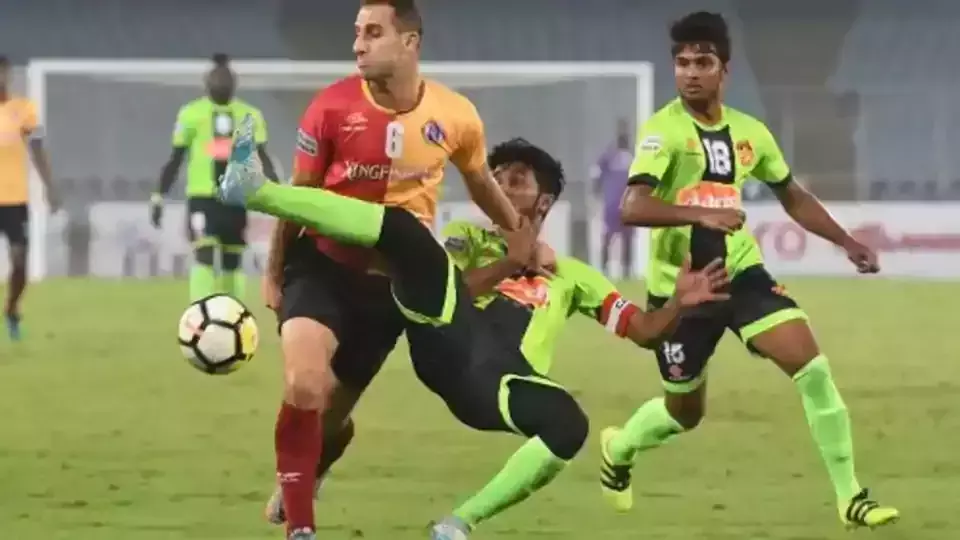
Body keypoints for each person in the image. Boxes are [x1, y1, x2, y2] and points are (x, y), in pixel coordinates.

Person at [221, 117, 728, 539]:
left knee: (569, 425)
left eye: (517, 180)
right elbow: (453, 290)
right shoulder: (468, 238)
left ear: (544, 203)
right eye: (497, 177)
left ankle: (457, 525)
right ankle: (260, 192)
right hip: (447, 340)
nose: (501, 187)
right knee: (406, 233)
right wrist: (511, 262)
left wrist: (679, 304)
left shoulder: (574, 276)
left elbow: (644, 331)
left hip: (499, 382)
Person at [598, 12, 899, 529]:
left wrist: (845, 241)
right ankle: (620, 447)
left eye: (703, 62)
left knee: (812, 369)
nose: (691, 73)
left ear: (725, 70)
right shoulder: (663, 132)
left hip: (742, 275)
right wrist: (699, 214)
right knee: (683, 413)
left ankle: (850, 496)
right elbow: (632, 206)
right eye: (682, 63)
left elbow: (792, 195)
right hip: (684, 291)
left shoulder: (750, 133)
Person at [256, 2, 524, 538]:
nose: (358, 44)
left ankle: (316, 462)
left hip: (387, 292)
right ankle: (301, 528)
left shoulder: (456, 115)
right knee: (304, 384)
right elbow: (298, 195)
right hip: (321, 267)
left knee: (329, 419)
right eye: (357, 32)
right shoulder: (330, 107)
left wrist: (521, 234)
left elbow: (480, 183)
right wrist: (274, 270)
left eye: (373, 33)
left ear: (410, 42)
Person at [150, 53, 278, 302]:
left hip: (236, 199)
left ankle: (233, 313)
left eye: (225, 78)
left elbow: (263, 158)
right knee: (204, 253)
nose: (221, 83)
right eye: (216, 78)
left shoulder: (250, 115)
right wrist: (158, 196)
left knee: (232, 259)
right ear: (207, 83)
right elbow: (175, 159)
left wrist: (278, 198)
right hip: (202, 199)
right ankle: (201, 312)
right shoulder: (191, 114)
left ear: (234, 83)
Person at [0, 55, 58, 340]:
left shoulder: (23, 110)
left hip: (14, 200)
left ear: (8, 75)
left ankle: (11, 309)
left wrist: (50, 187)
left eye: (3, 72)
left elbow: (37, 150)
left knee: (20, 261)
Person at [592, 118, 635, 277]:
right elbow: (597, 174)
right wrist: (596, 192)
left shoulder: (632, 157)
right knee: (609, 237)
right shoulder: (610, 156)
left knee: (626, 238)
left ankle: (626, 271)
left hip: (627, 205)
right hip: (613, 204)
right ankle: (604, 269)